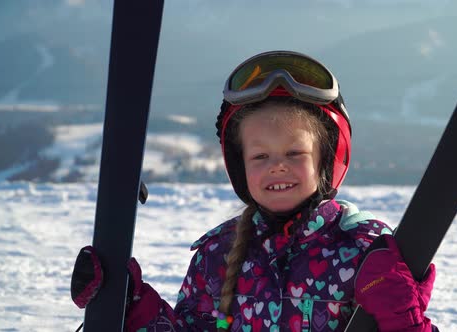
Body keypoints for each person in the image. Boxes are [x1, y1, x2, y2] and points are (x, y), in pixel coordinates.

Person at [71, 50, 437, 331]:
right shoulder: (216, 255)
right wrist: (130, 305)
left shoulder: (366, 250)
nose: (277, 165)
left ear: (327, 160)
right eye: (260, 155)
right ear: (239, 165)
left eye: (294, 153)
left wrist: (402, 317)